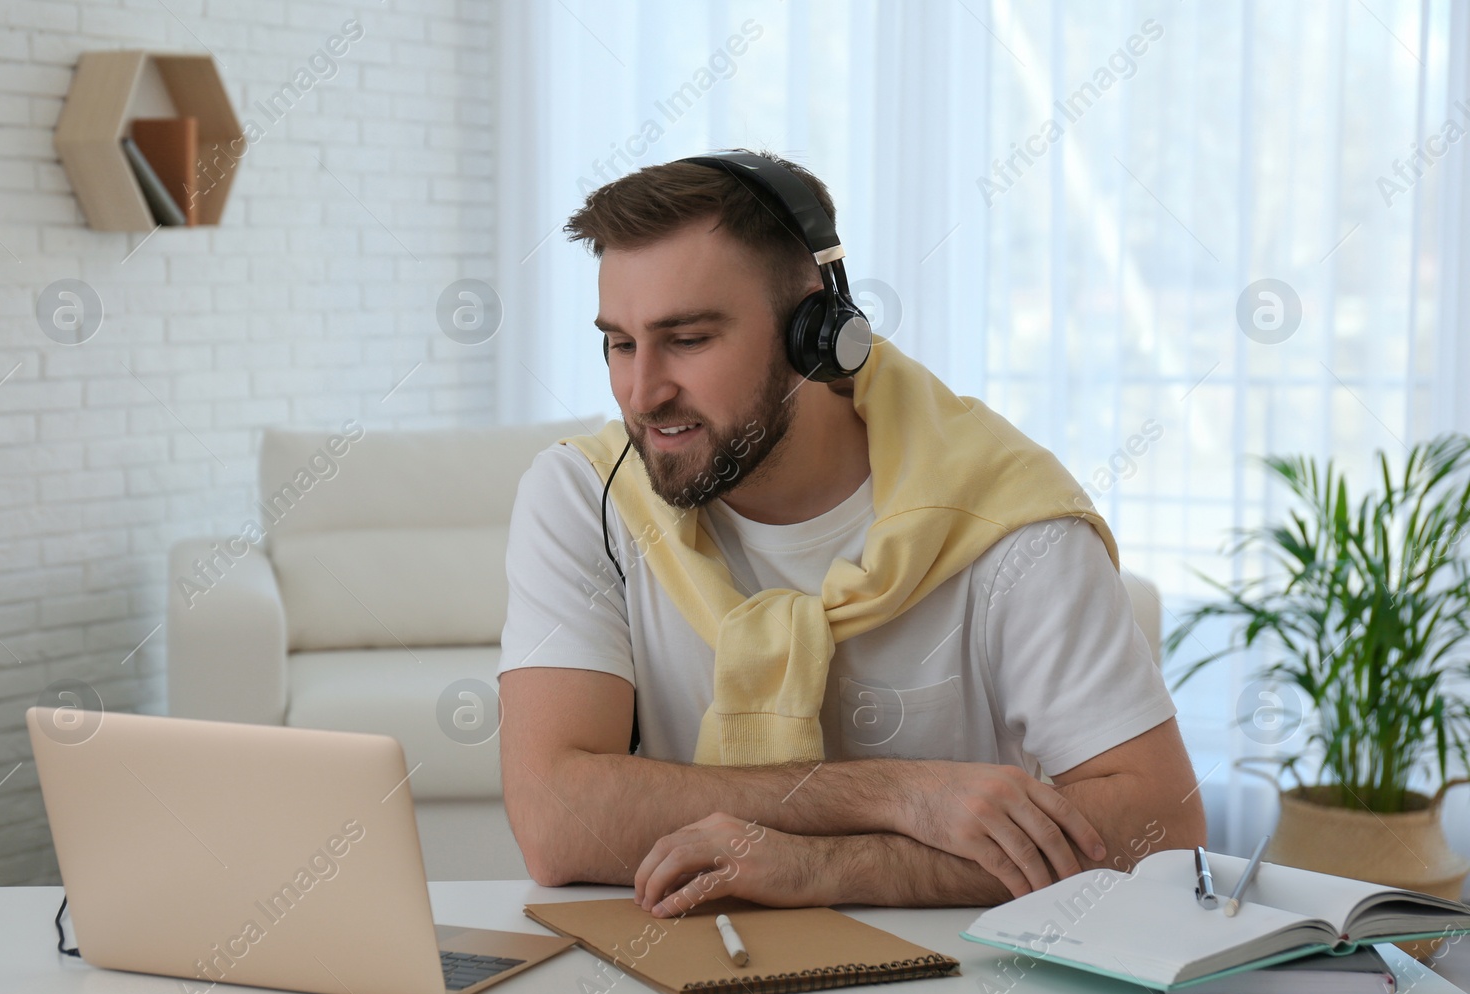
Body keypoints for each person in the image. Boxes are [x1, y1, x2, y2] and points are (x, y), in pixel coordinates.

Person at [497, 149, 1204, 919]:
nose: (643, 392)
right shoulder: (587, 495)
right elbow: (554, 818)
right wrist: (902, 793)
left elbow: (1161, 831)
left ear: (816, 332)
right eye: (621, 343)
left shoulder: (1008, 517)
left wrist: (823, 868)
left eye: (690, 340)